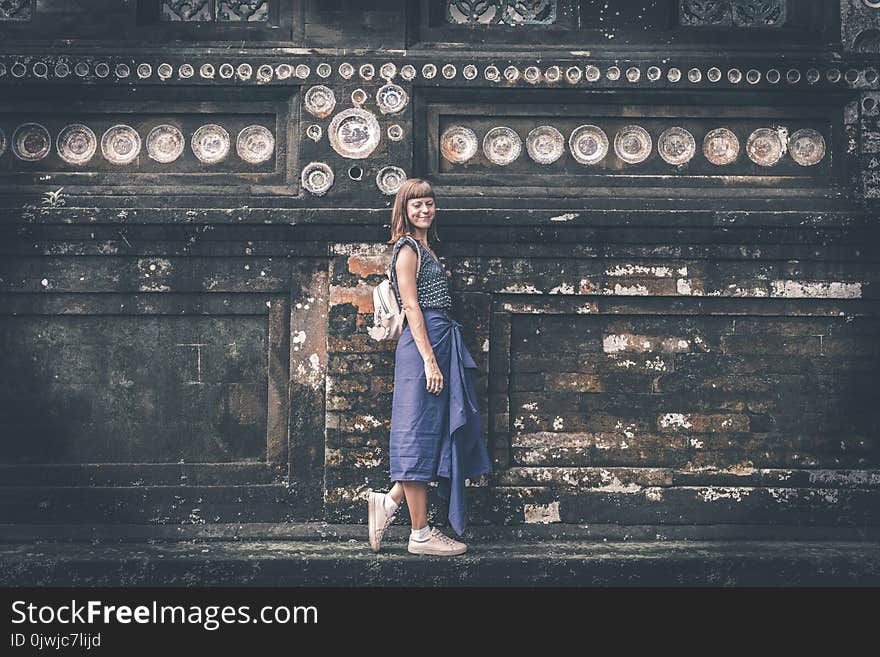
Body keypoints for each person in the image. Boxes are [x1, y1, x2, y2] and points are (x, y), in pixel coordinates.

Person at [368, 178, 492, 556]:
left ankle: (388, 502)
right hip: (423, 347)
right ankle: (419, 534)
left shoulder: (427, 249)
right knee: (417, 435)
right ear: (403, 210)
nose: (424, 210)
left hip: (439, 341)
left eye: (429, 203)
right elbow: (411, 307)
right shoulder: (407, 250)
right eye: (416, 204)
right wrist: (429, 361)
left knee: (432, 434)